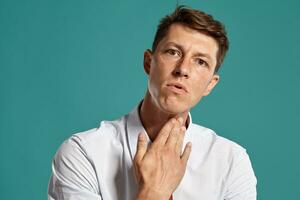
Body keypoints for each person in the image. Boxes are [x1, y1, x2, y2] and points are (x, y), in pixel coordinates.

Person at [48, 5, 257, 200]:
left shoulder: (231, 162)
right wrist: (155, 191)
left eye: (200, 61)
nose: (183, 69)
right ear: (149, 62)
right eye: (173, 52)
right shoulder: (83, 153)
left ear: (210, 85)